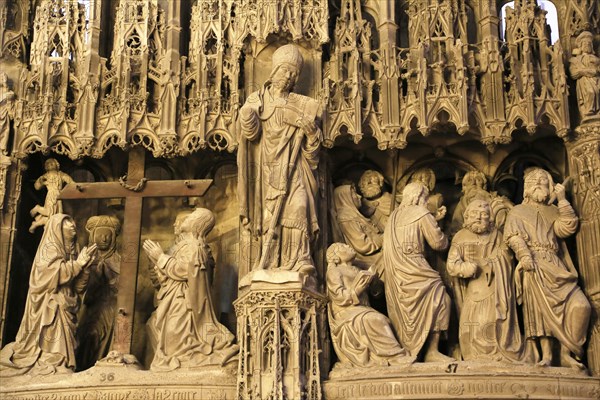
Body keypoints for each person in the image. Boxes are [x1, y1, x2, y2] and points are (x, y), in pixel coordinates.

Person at [237, 43, 321, 278]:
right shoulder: (258, 100)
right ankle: (270, 262)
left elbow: (313, 157)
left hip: (296, 170)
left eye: (294, 74)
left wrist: (312, 133)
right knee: (269, 216)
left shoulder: (304, 105)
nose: (289, 77)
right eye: (286, 70)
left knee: (300, 205)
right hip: (267, 169)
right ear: (274, 71)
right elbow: (250, 135)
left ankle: (300, 260)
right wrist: (247, 116)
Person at [505, 168, 591, 369]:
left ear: (551, 185)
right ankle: (546, 356)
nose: (539, 183)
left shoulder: (553, 210)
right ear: (526, 187)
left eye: (544, 180)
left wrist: (562, 199)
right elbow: (513, 236)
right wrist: (524, 255)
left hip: (556, 264)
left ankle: (567, 353)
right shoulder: (517, 211)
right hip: (534, 264)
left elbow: (567, 227)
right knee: (540, 312)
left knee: (581, 306)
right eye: (534, 180)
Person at [0, 214, 97, 376]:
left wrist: (85, 267)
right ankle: (50, 360)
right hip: (49, 302)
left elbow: (79, 288)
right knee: (53, 329)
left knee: (64, 333)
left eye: (72, 221)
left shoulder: (74, 250)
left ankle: (60, 362)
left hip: (67, 303)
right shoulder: (49, 248)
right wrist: (78, 264)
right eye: (66, 222)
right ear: (56, 227)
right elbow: (48, 276)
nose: (72, 224)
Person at [143, 208, 238, 371]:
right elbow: (172, 276)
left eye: (191, 217)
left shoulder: (195, 246)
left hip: (185, 302)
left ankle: (184, 362)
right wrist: (157, 262)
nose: (184, 220)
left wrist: (161, 257)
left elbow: (185, 271)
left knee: (176, 334)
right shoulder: (186, 246)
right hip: (174, 298)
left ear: (197, 223)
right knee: (165, 331)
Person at [448, 200, 532, 362]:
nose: (479, 218)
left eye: (484, 215)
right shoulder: (460, 237)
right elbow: (452, 265)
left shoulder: (496, 235)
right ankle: (474, 356)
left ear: (490, 218)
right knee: (475, 325)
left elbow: (507, 257)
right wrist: (467, 268)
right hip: (473, 290)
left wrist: (492, 263)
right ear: (466, 217)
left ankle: (497, 355)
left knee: (493, 322)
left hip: (496, 288)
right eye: (475, 214)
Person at [381, 182, 453, 362]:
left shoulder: (393, 217)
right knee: (442, 299)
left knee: (408, 313)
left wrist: (433, 219)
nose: (426, 201)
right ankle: (431, 350)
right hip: (416, 269)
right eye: (426, 198)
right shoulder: (422, 213)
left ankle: (412, 350)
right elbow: (438, 243)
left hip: (398, 274)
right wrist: (442, 228)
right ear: (419, 197)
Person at [326, 243, 412, 367]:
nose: (349, 247)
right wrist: (356, 291)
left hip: (362, 309)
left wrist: (374, 283)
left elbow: (375, 294)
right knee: (376, 320)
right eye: (344, 247)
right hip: (346, 313)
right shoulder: (335, 271)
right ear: (337, 257)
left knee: (385, 320)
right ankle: (396, 356)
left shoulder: (358, 270)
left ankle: (392, 356)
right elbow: (338, 296)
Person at [76, 215, 121, 370]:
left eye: (108, 236)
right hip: (90, 307)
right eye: (100, 235)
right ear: (93, 236)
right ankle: (83, 367)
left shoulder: (118, 261)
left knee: (111, 336)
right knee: (88, 335)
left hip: (110, 307)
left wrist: (111, 279)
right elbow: (79, 287)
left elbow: (125, 286)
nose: (104, 239)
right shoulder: (86, 258)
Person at [333, 184, 382, 270]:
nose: (359, 196)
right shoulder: (346, 218)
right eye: (354, 194)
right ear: (345, 198)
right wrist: (383, 239)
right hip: (367, 260)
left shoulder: (354, 215)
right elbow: (363, 245)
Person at [29, 159, 75, 233]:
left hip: (59, 196)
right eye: (48, 164)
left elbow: (71, 182)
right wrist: (41, 182)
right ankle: (38, 209)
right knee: (50, 213)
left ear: (57, 164)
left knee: (56, 217)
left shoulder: (61, 174)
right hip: (51, 195)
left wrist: (75, 186)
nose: (50, 165)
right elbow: (37, 187)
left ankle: (37, 223)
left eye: (52, 163)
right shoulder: (45, 176)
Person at [569, 31, 600, 123]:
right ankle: (588, 111)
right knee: (590, 92)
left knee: (597, 92)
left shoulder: (596, 59)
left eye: (589, 44)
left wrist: (595, 71)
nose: (587, 45)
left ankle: (597, 111)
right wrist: (583, 71)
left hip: (596, 80)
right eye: (585, 44)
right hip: (584, 82)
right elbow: (573, 73)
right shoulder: (575, 60)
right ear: (581, 46)